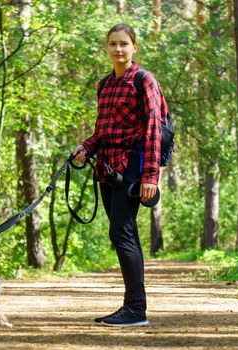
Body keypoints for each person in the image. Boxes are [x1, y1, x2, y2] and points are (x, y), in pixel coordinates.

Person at [72, 23, 168, 327]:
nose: (118, 49)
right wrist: (86, 147)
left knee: (121, 233)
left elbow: (153, 129)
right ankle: (133, 307)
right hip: (106, 169)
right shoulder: (104, 85)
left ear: (134, 47)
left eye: (124, 43)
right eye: (113, 43)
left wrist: (151, 176)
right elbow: (102, 133)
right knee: (124, 235)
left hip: (132, 167)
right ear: (107, 47)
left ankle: (135, 310)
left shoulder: (144, 81)